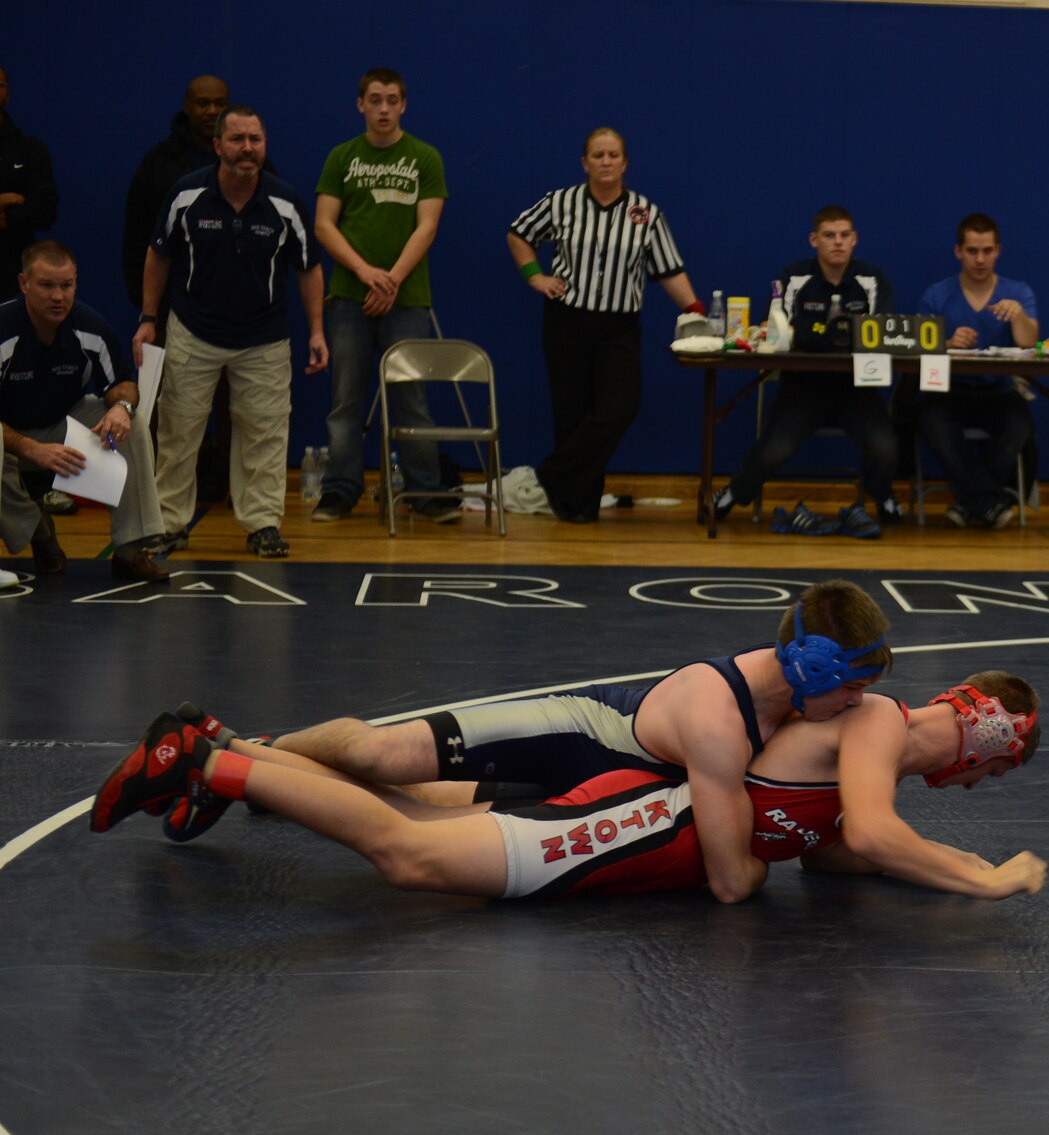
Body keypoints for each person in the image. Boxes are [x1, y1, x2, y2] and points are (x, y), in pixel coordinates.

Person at [160, 579, 895, 903]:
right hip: (573, 733)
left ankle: (229, 757)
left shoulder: (799, 707)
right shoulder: (718, 720)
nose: (860, 704)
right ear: (810, 668)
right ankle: (247, 745)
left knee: (416, 806)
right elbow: (731, 880)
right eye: (853, 687)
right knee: (377, 758)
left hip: (607, 785)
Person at [89, 673, 1048, 904]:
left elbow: (841, 851)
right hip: (650, 812)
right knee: (409, 850)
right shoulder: (879, 722)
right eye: (995, 772)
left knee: (421, 817)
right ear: (982, 740)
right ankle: (209, 762)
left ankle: (219, 750)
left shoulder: (864, 751)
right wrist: (987, 880)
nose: (976, 788)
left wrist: (945, 861)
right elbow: (869, 836)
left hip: (650, 802)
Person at [138, 105, 326, 559]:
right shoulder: (186, 195)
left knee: (264, 433)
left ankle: (262, 524)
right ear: (217, 145)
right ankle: (169, 523)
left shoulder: (285, 202)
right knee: (179, 431)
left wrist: (317, 331)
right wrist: (148, 319)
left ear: (264, 145)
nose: (248, 148)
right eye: (238, 139)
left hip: (263, 337)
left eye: (255, 139)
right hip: (193, 330)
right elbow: (157, 255)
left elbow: (309, 268)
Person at [506, 127, 706, 523]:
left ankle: (550, 474)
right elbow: (518, 234)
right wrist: (535, 276)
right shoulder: (560, 203)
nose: (606, 162)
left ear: (625, 162)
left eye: (613, 155)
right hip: (567, 322)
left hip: (619, 327)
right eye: (598, 155)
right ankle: (576, 508)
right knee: (571, 415)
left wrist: (697, 310)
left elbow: (668, 269)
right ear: (585, 163)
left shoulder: (646, 213)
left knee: (620, 407)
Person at [312, 67, 456, 524]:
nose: (384, 109)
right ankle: (339, 492)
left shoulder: (424, 157)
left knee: (410, 399)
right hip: (349, 299)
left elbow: (427, 226)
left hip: (407, 298)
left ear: (404, 106)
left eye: (392, 100)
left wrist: (390, 279)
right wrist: (364, 273)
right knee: (346, 401)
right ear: (360, 104)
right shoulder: (341, 157)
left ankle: (425, 492)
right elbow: (323, 225)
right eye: (375, 100)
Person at [708, 206, 901, 537]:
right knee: (774, 449)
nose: (837, 243)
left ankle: (881, 495)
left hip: (857, 388)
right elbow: (779, 332)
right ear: (814, 240)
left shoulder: (873, 278)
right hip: (802, 388)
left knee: (886, 447)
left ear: (854, 239)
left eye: (844, 236)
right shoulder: (793, 276)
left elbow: (878, 332)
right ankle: (730, 495)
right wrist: (838, 335)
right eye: (829, 235)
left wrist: (811, 334)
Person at [1, 242, 170, 583]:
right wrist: (30, 448)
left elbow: (123, 384)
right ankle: (39, 532)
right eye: (47, 285)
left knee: (132, 422)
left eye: (67, 285)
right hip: (7, 439)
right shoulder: (4, 330)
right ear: (24, 284)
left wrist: (121, 408)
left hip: (60, 428)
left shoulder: (90, 328)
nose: (58, 296)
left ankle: (130, 549)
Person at [121, 74, 241, 512]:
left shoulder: (250, 158)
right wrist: (147, 309)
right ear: (187, 107)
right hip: (175, 311)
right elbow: (139, 238)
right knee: (167, 409)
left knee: (238, 408)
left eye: (219, 104)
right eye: (203, 103)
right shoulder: (160, 163)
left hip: (238, 315)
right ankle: (157, 494)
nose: (211, 111)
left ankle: (232, 487)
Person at [914, 213, 1039, 530]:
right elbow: (917, 348)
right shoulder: (936, 295)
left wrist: (1018, 317)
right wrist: (946, 343)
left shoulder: (1018, 293)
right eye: (972, 251)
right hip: (948, 390)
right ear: (958, 252)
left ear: (997, 251)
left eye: (987, 251)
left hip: (998, 391)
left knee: (1019, 424)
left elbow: (1029, 342)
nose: (980, 259)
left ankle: (967, 502)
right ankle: (988, 502)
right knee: (932, 421)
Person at [0, 67, 58, 282]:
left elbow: (44, 212)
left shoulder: (30, 150)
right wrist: (9, 199)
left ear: (8, 95)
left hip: (10, 273)